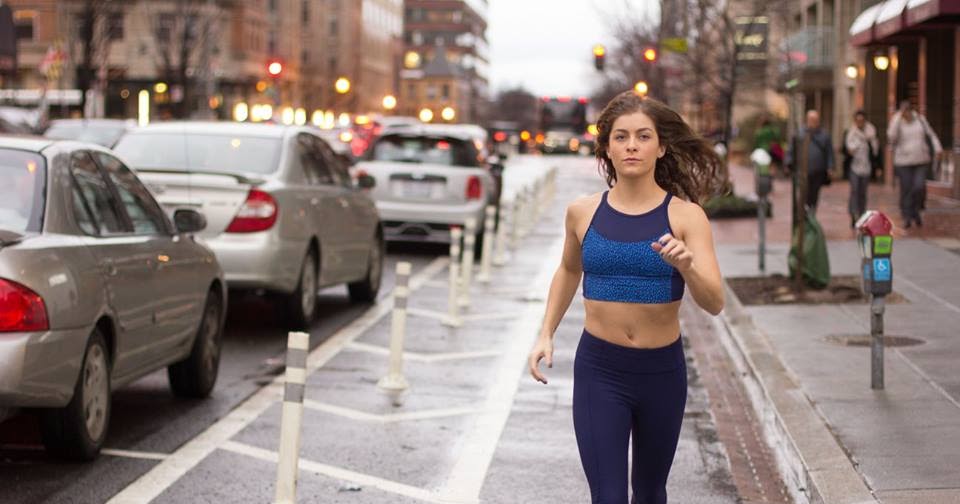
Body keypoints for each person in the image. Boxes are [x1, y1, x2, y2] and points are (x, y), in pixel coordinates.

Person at [526, 91, 725, 504]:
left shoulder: (686, 217)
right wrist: (546, 332)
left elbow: (715, 302)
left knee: (650, 493)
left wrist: (687, 265)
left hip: (661, 372)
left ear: (661, 146)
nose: (631, 145)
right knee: (609, 496)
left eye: (642, 136)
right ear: (607, 148)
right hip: (601, 371)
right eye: (620, 137)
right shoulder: (583, 212)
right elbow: (568, 270)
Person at [887, 100, 943, 228]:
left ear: (911, 110)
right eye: (902, 111)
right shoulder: (897, 121)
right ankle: (907, 216)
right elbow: (891, 137)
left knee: (919, 187)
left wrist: (938, 148)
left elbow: (931, 134)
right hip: (903, 162)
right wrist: (897, 119)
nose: (905, 113)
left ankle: (916, 211)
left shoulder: (920, 120)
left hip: (921, 160)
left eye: (907, 110)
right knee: (906, 188)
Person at [785, 110, 834, 213]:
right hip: (802, 171)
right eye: (811, 120)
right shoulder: (799, 133)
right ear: (807, 120)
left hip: (818, 171)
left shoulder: (824, 135)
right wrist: (788, 162)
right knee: (803, 195)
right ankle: (802, 216)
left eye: (815, 120)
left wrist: (830, 167)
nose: (813, 122)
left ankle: (811, 215)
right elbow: (791, 149)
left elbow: (829, 152)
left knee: (814, 195)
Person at [844, 110, 878, 227]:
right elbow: (847, 150)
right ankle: (853, 215)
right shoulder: (851, 133)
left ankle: (862, 214)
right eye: (857, 120)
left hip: (866, 168)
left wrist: (878, 167)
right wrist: (853, 149)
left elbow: (876, 152)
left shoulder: (871, 132)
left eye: (861, 120)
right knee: (855, 191)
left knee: (863, 192)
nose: (860, 122)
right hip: (854, 167)